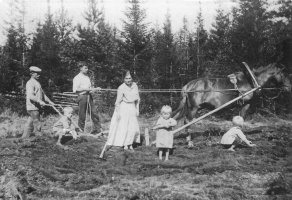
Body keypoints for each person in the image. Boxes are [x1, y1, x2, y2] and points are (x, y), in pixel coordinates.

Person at [106, 70, 140, 150]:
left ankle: (130, 143)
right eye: (126, 78)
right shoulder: (121, 88)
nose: (128, 80)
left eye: (130, 78)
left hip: (132, 107)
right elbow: (117, 102)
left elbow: (137, 99)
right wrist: (117, 113)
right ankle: (124, 144)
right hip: (124, 108)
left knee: (132, 127)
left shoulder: (135, 85)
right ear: (124, 79)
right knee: (124, 127)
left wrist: (137, 109)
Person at [22, 66, 55, 138]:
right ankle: (39, 138)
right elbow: (30, 96)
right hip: (32, 107)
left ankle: (24, 138)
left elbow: (43, 95)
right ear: (32, 73)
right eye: (37, 74)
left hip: (36, 107)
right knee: (37, 124)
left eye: (39, 73)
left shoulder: (37, 83)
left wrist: (50, 101)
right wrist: (39, 101)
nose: (39, 75)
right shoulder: (30, 83)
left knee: (30, 123)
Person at [73, 62, 102, 135]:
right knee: (82, 115)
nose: (87, 69)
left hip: (89, 96)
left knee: (94, 113)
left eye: (87, 68)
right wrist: (87, 89)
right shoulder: (77, 78)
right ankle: (80, 131)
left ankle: (97, 130)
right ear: (80, 68)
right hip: (82, 97)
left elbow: (90, 88)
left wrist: (95, 89)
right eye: (85, 68)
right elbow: (76, 89)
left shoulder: (87, 77)